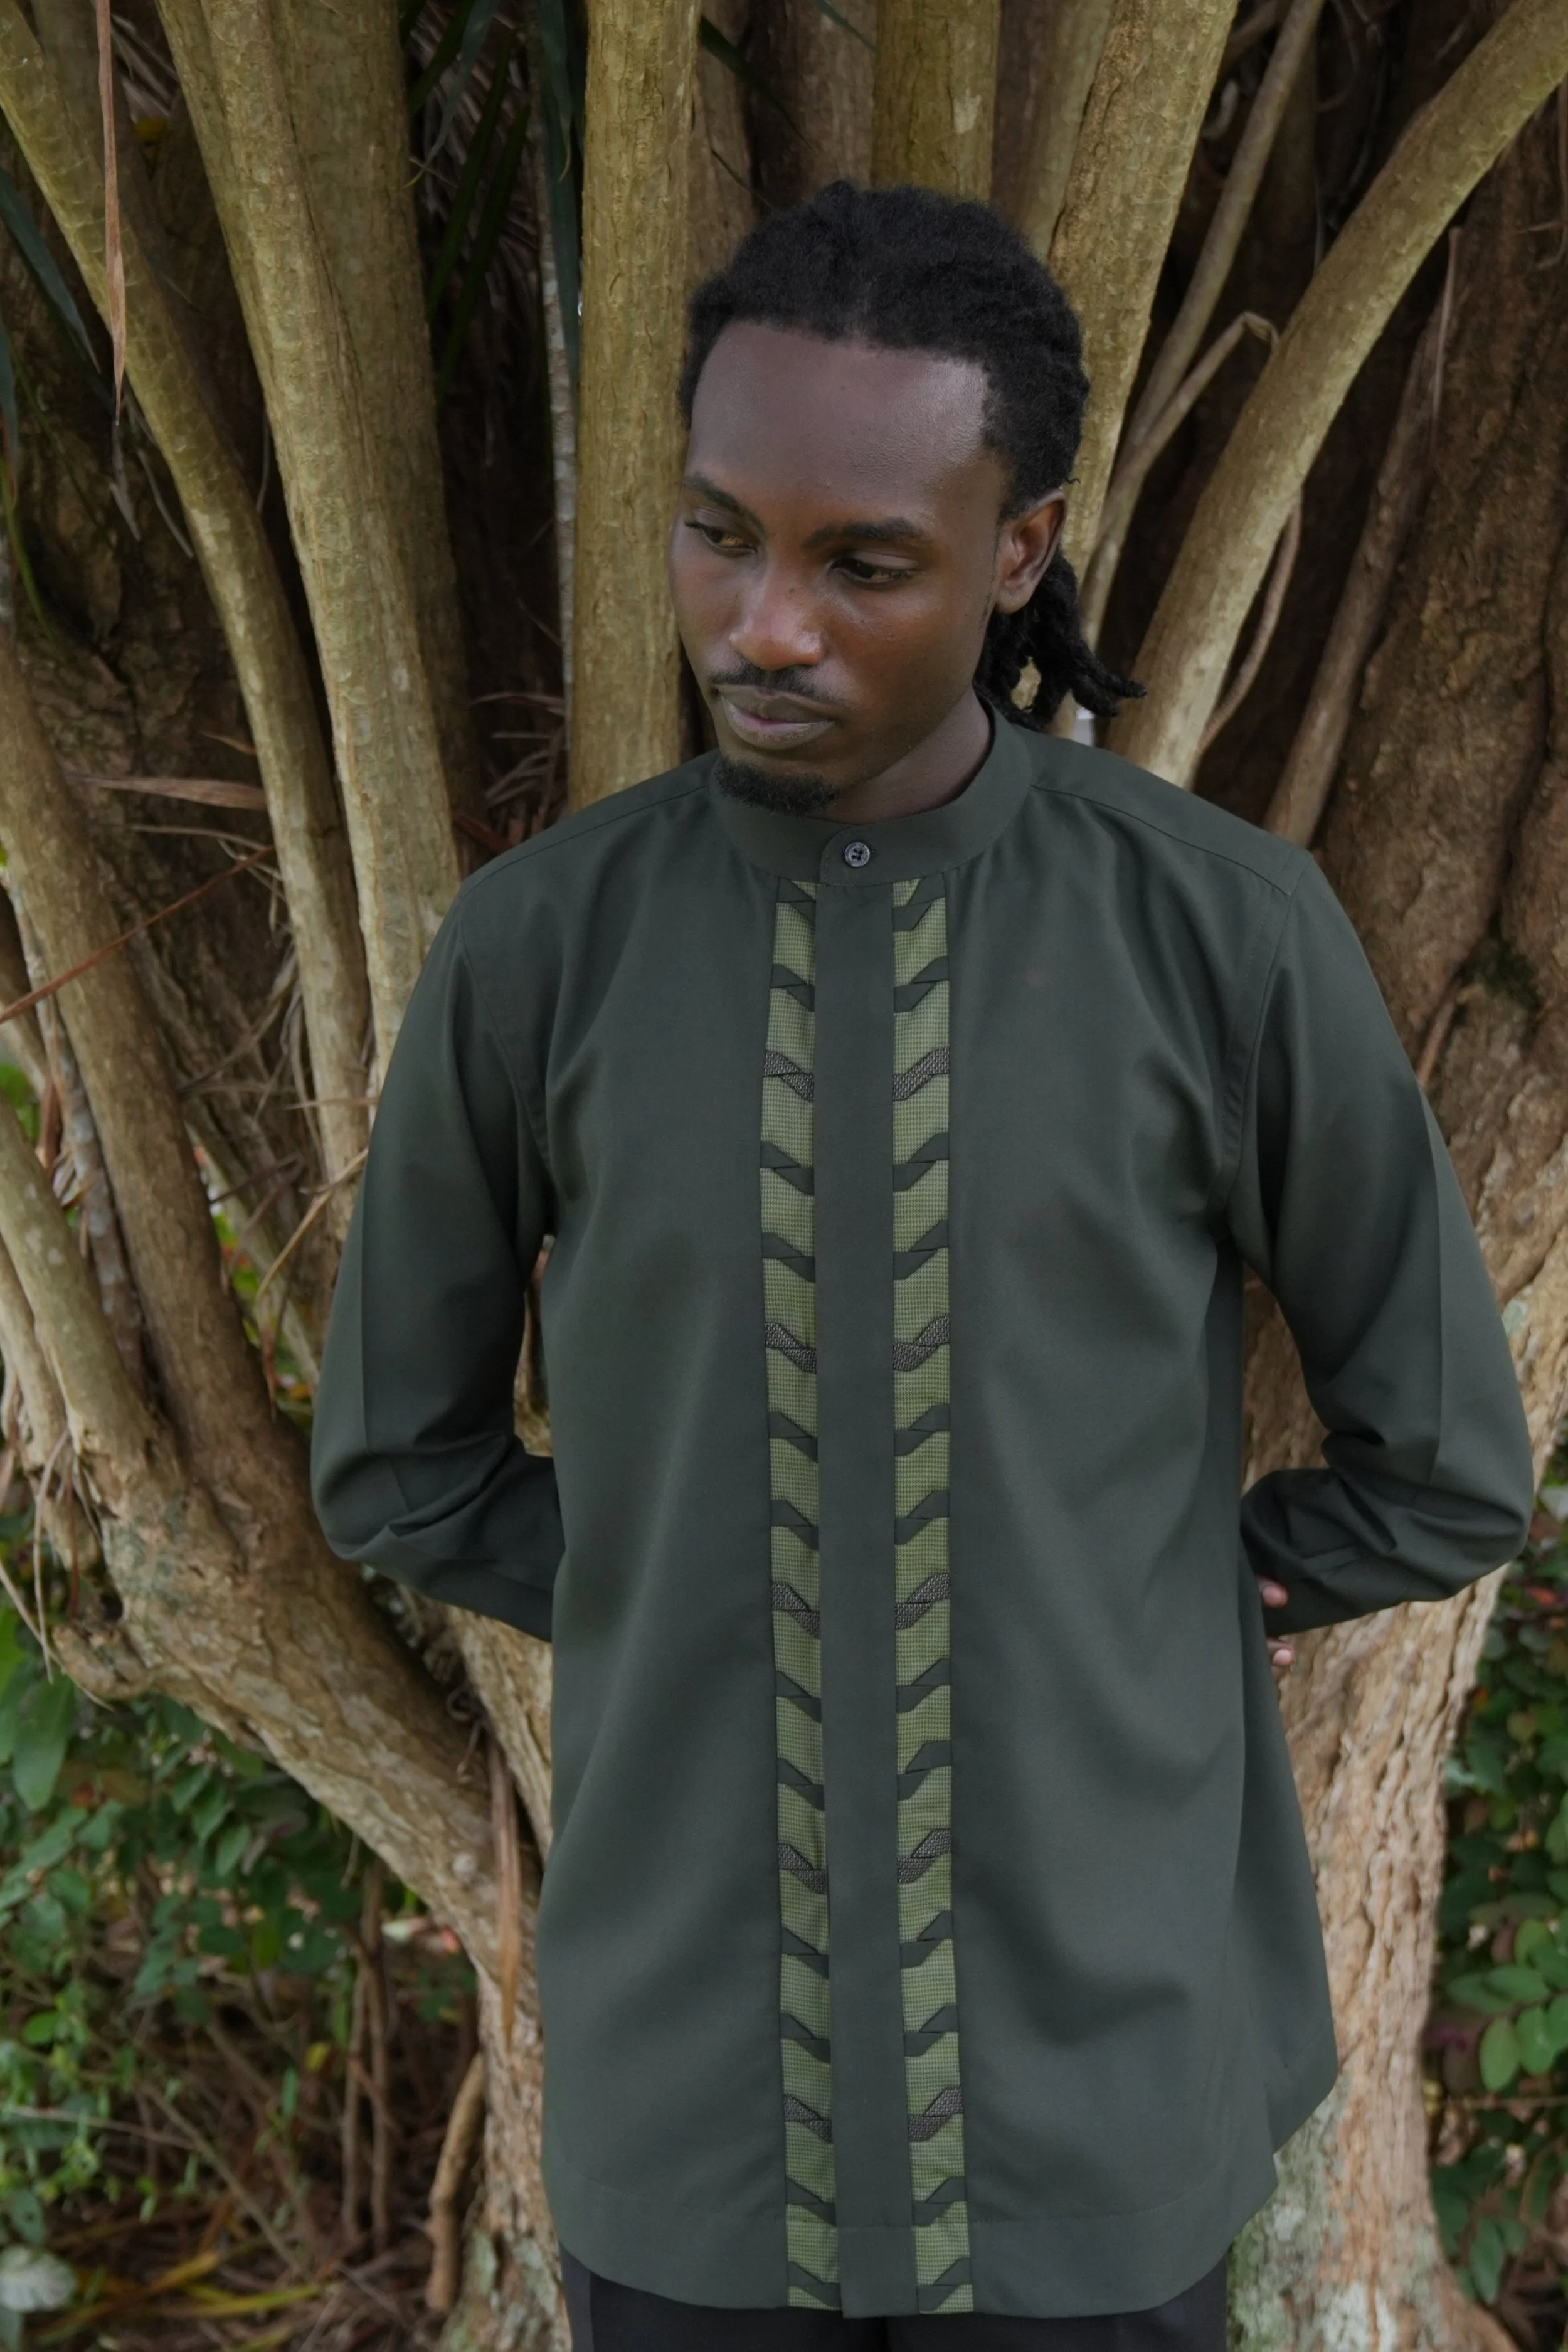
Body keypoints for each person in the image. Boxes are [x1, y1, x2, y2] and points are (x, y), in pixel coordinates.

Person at [310, 184, 1533, 2350]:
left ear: (1018, 551)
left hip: (1096, 2092)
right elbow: (395, 1466)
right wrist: (696, 1569)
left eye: (859, 561)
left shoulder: (1217, 937)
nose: (761, 622)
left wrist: (1149, 1576)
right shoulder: (540, 953)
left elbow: (1441, 1465)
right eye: (717, 533)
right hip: (694, 2105)